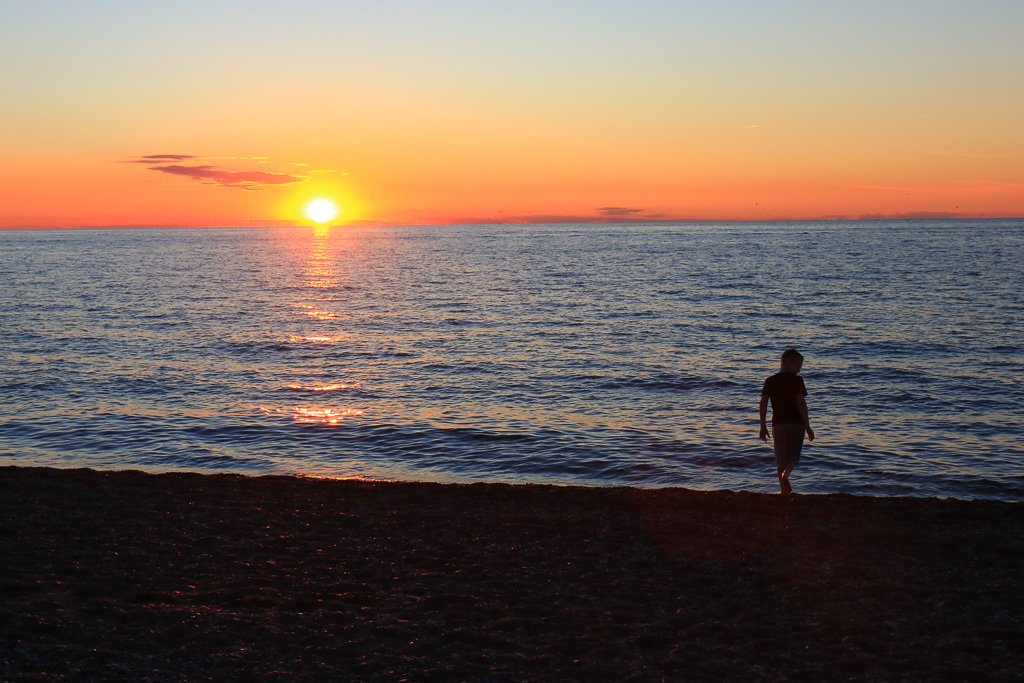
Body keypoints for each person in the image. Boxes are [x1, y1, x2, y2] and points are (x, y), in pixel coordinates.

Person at [759, 348, 814, 494]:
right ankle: (786, 476)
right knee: (793, 458)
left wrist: (762, 425)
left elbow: (763, 403)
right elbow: (801, 403)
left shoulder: (770, 381)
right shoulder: (797, 381)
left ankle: (783, 490)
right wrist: (808, 426)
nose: (799, 370)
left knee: (780, 458)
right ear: (790, 364)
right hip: (797, 424)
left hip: (778, 424)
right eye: (799, 366)